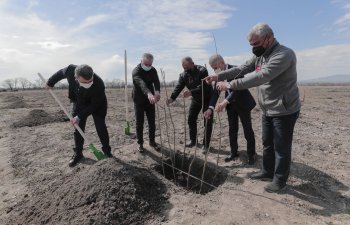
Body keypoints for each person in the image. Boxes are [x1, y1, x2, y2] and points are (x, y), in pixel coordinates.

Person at [204, 23, 301, 192]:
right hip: (267, 108)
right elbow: (242, 68)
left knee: (281, 146)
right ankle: (267, 171)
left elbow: (260, 76)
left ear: (268, 38)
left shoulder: (284, 55)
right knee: (267, 143)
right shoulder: (260, 55)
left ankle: (280, 180)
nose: (253, 48)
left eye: (255, 44)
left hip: (283, 109)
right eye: (251, 45)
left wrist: (229, 85)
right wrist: (217, 76)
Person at [46, 64, 113, 167]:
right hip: (79, 100)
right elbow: (60, 73)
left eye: (90, 81)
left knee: (100, 126)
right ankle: (78, 153)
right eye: (84, 82)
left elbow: (94, 106)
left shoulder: (99, 84)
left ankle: (107, 151)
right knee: (78, 127)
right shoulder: (70, 70)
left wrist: (79, 116)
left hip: (97, 104)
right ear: (76, 77)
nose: (88, 83)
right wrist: (50, 82)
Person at [207, 54, 257, 165]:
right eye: (213, 68)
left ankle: (251, 154)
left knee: (247, 129)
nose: (214, 70)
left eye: (215, 67)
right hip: (231, 106)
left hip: (242, 103)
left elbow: (237, 89)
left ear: (221, 62)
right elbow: (215, 93)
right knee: (232, 129)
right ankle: (234, 152)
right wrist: (210, 108)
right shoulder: (218, 75)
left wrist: (225, 101)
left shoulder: (235, 70)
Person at [166, 57, 213, 154]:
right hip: (196, 99)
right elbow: (178, 87)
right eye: (183, 67)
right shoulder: (183, 75)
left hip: (207, 97)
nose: (185, 69)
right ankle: (193, 140)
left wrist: (191, 92)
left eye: (186, 67)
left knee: (207, 121)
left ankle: (206, 144)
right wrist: (172, 98)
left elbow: (204, 86)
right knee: (191, 118)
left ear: (192, 63)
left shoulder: (202, 70)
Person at [132, 53, 161, 152]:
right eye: (146, 64)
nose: (148, 66)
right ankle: (140, 144)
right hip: (139, 99)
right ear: (141, 61)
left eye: (150, 64)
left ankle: (152, 142)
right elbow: (141, 83)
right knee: (139, 123)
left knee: (152, 122)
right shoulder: (136, 71)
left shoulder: (153, 70)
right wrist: (148, 93)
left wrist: (157, 92)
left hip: (151, 99)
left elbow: (156, 81)